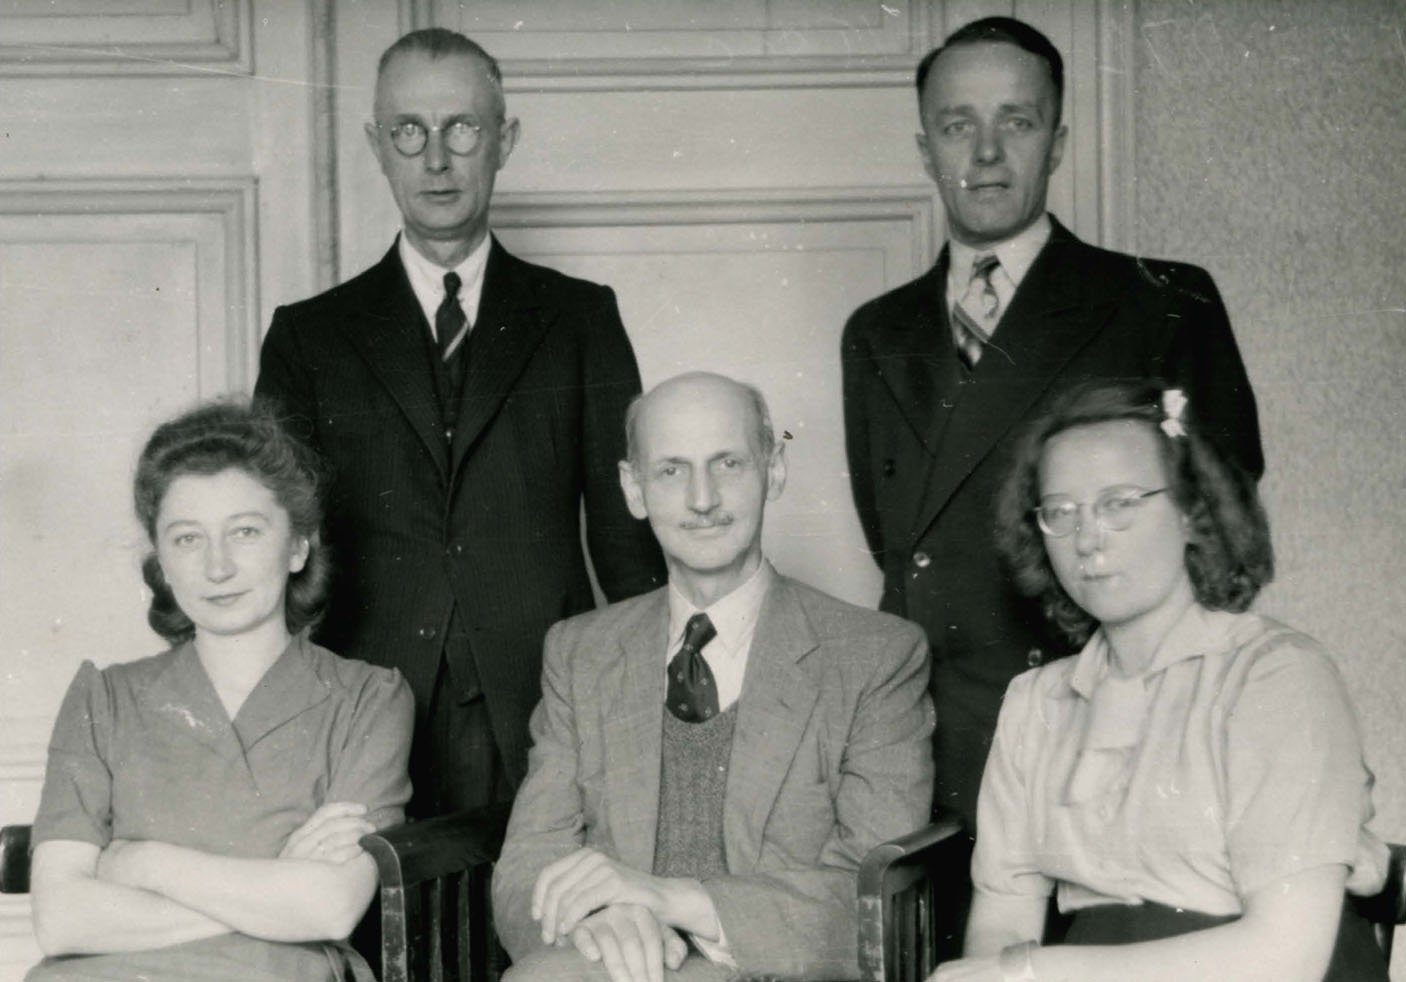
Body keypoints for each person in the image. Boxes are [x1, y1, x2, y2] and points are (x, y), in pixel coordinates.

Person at [840, 15, 1264, 830]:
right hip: (931, 744)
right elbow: (892, 537)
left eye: (1018, 122)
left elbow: (1222, 536)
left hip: (1110, 724)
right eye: (958, 126)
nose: (987, 153)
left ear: (1058, 143)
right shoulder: (876, 332)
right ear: (926, 149)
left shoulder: (1162, 304)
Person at [255, 28, 664, 817]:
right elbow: (276, 546)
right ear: (378, 145)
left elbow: (628, 541)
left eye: (462, 128)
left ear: (503, 140)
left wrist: (649, 710)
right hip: (364, 706)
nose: (436, 159)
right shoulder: (309, 337)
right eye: (410, 131)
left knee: (545, 927)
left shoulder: (580, 319)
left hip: (547, 704)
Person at [931, 379, 1387, 982]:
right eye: (1060, 512)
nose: (1088, 539)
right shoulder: (1034, 702)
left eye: (1119, 503)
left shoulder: (1276, 674)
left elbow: (1286, 957)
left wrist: (1031, 974)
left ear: (1191, 512)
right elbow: (1004, 924)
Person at [491, 372, 935, 982]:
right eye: (671, 470)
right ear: (633, 488)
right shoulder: (581, 653)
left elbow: (868, 896)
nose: (702, 499)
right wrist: (592, 922)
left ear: (773, 470)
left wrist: (666, 898)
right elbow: (527, 864)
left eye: (727, 463)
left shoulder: (875, 656)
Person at [25, 401, 413, 982]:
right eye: (186, 539)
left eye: (246, 532)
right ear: (161, 562)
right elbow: (60, 919)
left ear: (299, 547)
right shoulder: (102, 699)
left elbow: (328, 907)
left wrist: (140, 861)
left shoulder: (368, 700)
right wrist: (273, 887)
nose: (217, 567)